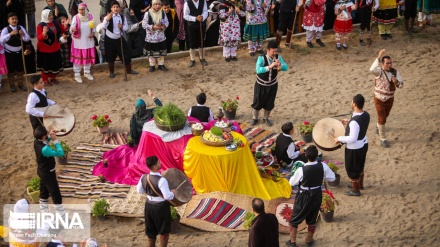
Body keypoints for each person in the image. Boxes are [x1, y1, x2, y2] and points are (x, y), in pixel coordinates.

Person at [286, 145, 335, 247]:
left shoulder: (301, 170)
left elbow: (291, 182)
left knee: (295, 218)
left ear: (306, 155)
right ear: (317, 156)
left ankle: (292, 241)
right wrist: (322, 177)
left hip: (303, 195)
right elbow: (332, 178)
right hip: (316, 193)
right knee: (312, 218)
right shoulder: (323, 166)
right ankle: (309, 240)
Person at [334, 94, 370, 196]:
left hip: (355, 149)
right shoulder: (366, 114)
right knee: (360, 165)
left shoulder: (354, 122)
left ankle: (355, 190)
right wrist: (349, 122)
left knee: (352, 169)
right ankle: (360, 185)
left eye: (351, 102)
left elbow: (352, 138)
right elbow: (359, 124)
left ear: (354, 104)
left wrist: (339, 139)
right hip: (363, 144)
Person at [136, 156, 175, 247]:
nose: (160, 163)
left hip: (149, 206)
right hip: (161, 207)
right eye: (158, 162)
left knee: (151, 230)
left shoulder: (143, 177)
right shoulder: (162, 180)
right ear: (154, 167)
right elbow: (167, 196)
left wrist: (149, 192)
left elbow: (139, 191)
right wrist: (172, 193)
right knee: (164, 232)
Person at [369, 49, 403, 148]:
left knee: (385, 115)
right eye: (387, 63)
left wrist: (396, 82)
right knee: (382, 118)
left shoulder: (395, 72)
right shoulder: (379, 71)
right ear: (382, 64)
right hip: (379, 99)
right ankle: (383, 138)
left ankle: (378, 126)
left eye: (390, 63)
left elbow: (401, 85)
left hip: (389, 99)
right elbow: (371, 69)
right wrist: (379, 56)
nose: (389, 65)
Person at [251, 40, 287, 126]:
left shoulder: (278, 57)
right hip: (261, 85)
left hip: (273, 85)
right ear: (268, 50)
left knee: (270, 103)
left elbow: (286, 67)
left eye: (276, 51)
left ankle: (266, 118)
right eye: (273, 51)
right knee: (257, 103)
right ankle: (255, 118)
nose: (275, 53)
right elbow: (258, 70)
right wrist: (269, 66)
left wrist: (280, 65)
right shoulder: (261, 58)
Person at [33, 126, 66, 217]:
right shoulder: (45, 149)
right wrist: (55, 140)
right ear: (43, 136)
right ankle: (62, 216)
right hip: (48, 173)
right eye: (46, 133)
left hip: (41, 171)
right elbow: (60, 153)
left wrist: (49, 136)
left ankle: (43, 210)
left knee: (44, 191)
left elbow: (44, 141)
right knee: (55, 194)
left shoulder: (36, 141)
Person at [103, 1, 139, 78]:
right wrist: (107, 20)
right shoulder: (108, 17)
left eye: (117, 7)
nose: (115, 8)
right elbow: (103, 27)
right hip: (110, 39)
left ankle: (128, 70)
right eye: (114, 7)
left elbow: (126, 28)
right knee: (110, 56)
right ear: (111, 8)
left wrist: (122, 27)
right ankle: (111, 72)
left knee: (126, 54)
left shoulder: (122, 17)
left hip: (119, 39)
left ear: (119, 8)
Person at [36, 9, 69, 86]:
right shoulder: (41, 25)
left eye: (51, 15)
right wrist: (44, 33)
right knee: (46, 65)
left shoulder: (55, 22)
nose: (50, 17)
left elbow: (61, 30)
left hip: (55, 48)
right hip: (44, 49)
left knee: (55, 64)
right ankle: (45, 80)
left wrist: (65, 25)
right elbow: (39, 38)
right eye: (48, 16)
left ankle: (53, 78)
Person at [0, 12, 30, 93]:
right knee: (11, 70)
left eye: (16, 19)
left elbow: (27, 39)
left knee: (20, 69)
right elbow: (1, 40)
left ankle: (21, 84)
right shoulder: (5, 29)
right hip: (9, 53)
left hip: (19, 52)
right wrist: (10, 34)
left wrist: (23, 34)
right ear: (8, 20)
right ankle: (12, 85)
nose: (14, 20)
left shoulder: (21, 27)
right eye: (12, 19)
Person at [70, 3, 96, 83]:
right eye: (79, 9)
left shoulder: (90, 16)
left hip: (88, 41)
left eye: (83, 9)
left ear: (86, 9)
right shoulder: (76, 17)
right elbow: (71, 28)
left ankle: (87, 72)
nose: (81, 11)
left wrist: (93, 33)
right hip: (79, 42)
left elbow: (94, 26)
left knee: (87, 56)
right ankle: (77, 74)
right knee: (78, 59)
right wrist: (73, 29)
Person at [142, 0, 169, 72]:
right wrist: (153, 27)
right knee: (151, 53)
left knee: (160, 52)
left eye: (159, 4)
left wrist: (164, 26)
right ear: (153, 5)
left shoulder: (163, 13)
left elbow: (166, 22)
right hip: (151, 38)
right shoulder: (147, 14)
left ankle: (161, 64)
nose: (157, 6)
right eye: (156, 4)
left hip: (160, 37)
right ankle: (152, 65)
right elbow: (144, 24)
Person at [183, 0, 209, 67]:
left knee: (201, 41)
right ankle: (192, 59)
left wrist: (202, 17)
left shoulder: (203, 2)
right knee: (192, 42)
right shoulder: (187, 3)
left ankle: (202, 58)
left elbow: (205, 11)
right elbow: (185, 15)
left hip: (201, 24)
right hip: (191, 26)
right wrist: (195, 18)